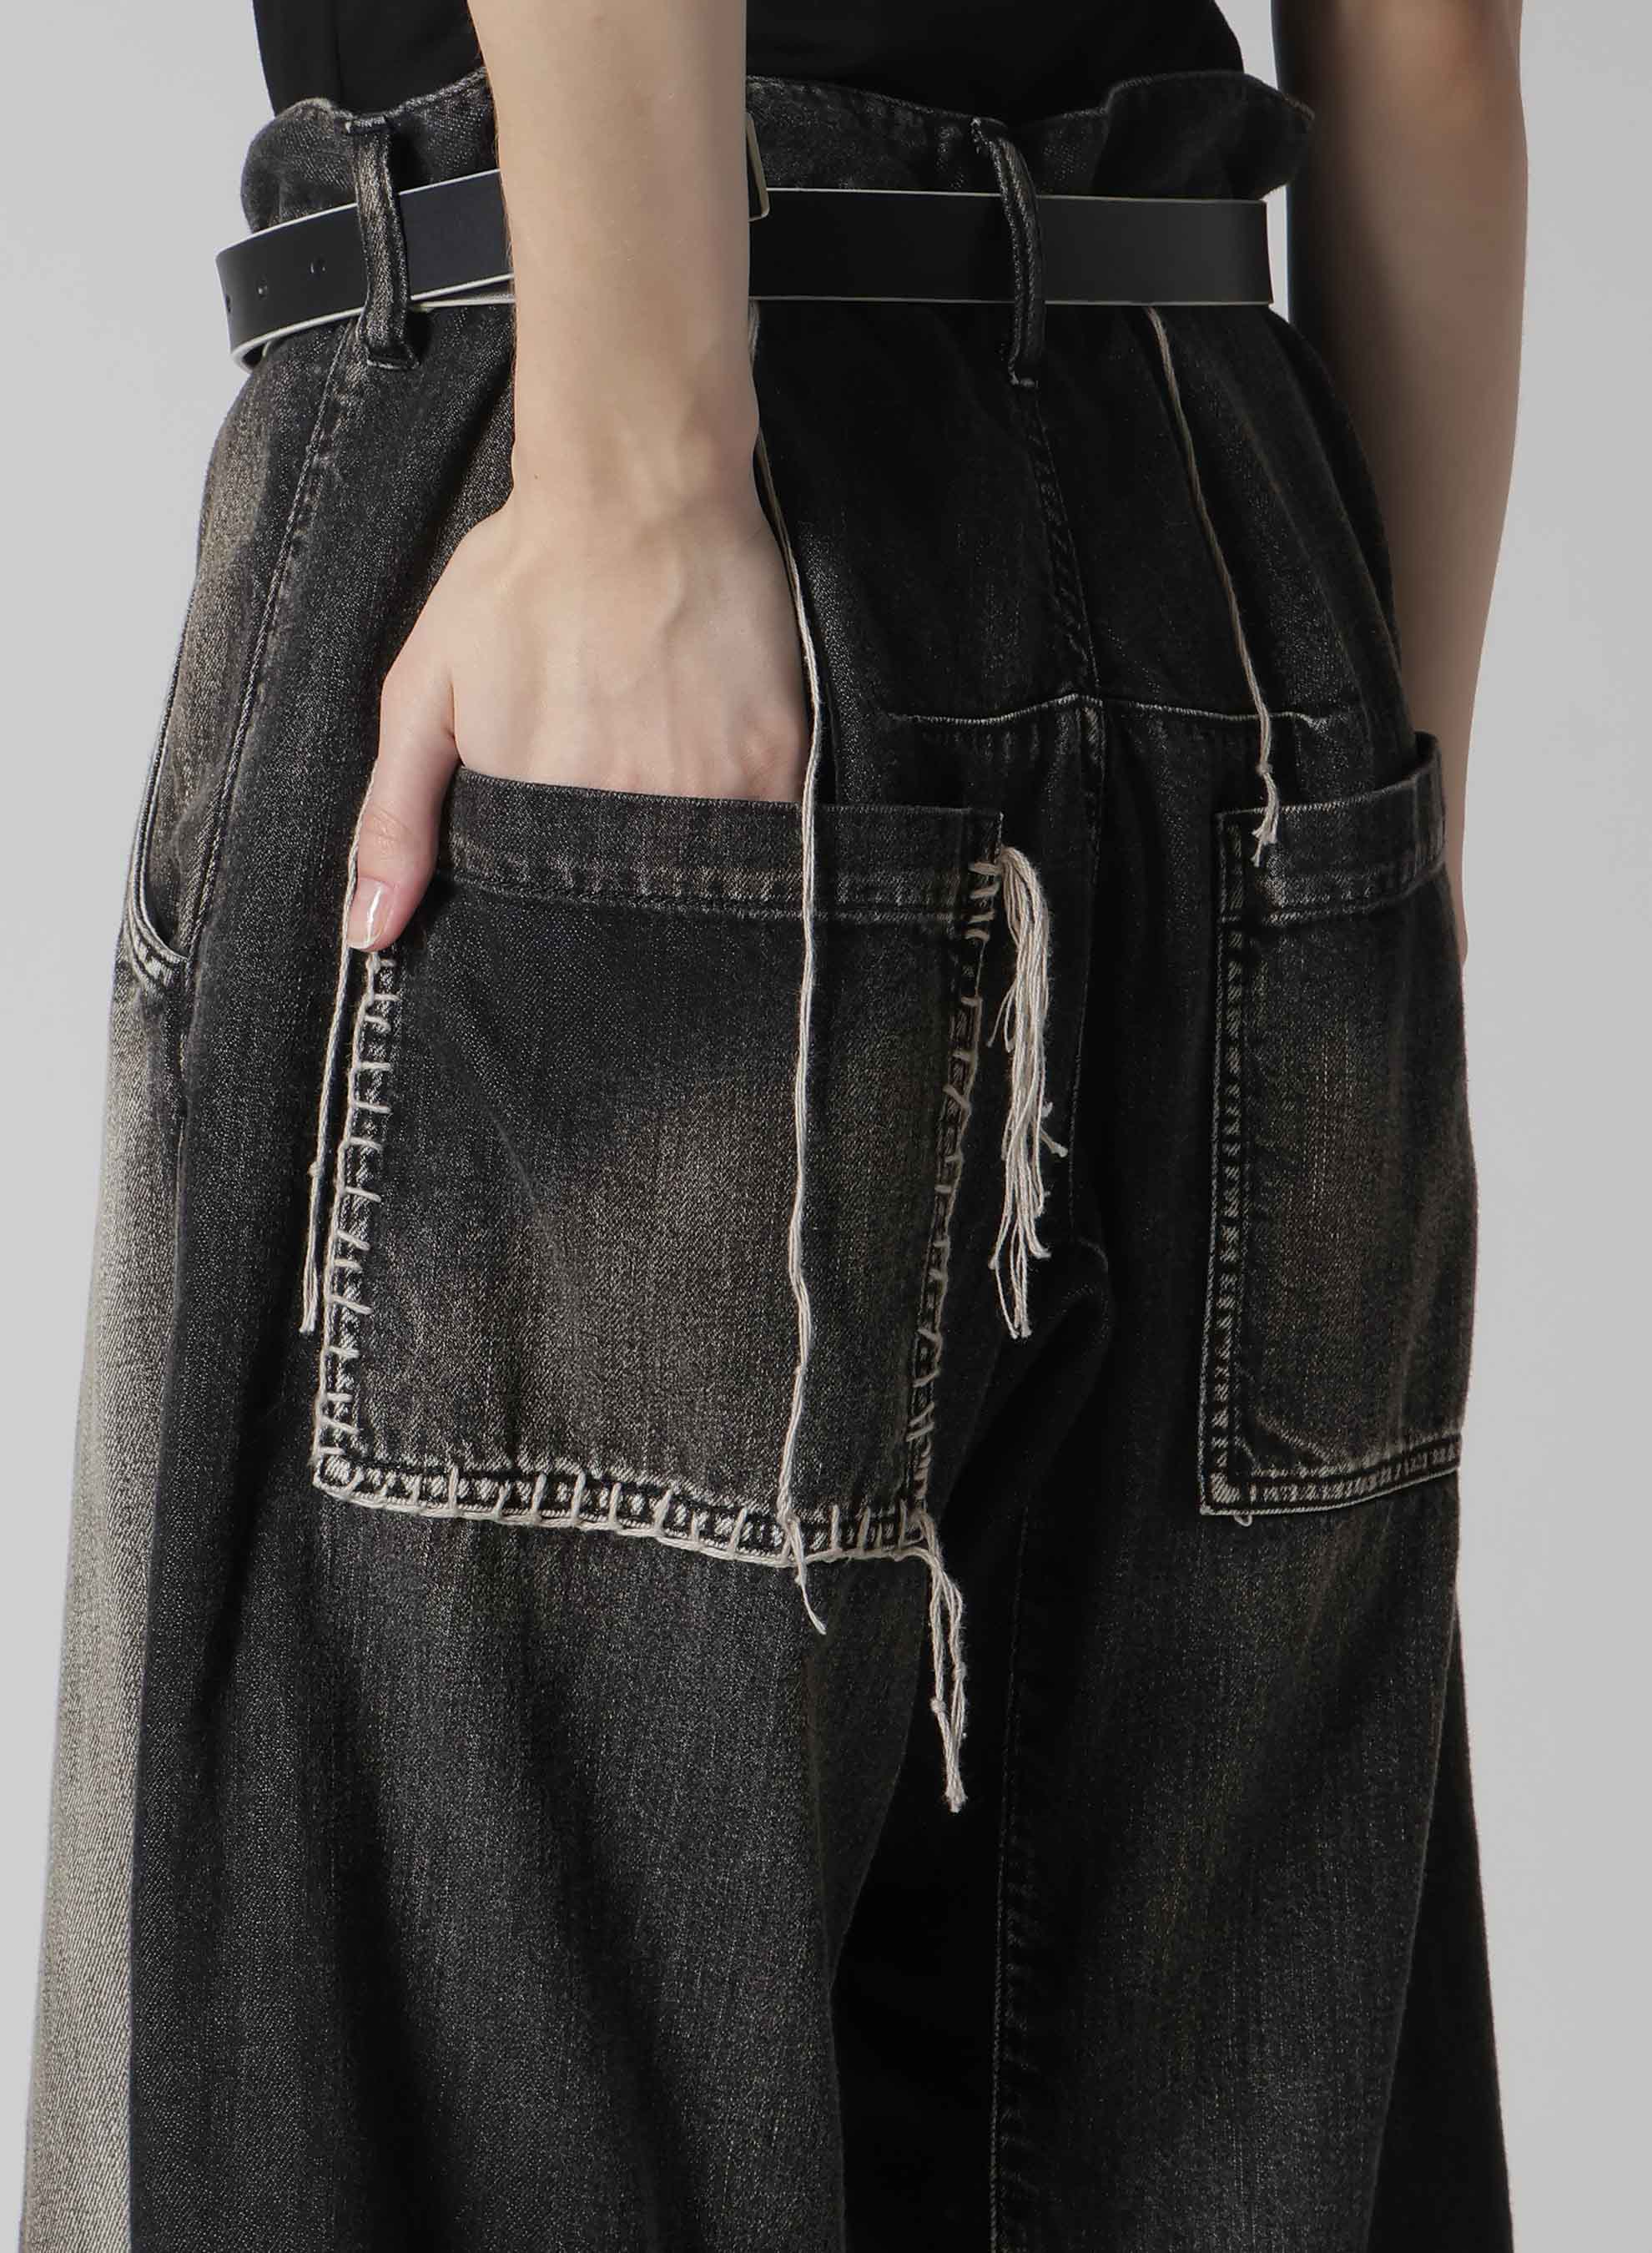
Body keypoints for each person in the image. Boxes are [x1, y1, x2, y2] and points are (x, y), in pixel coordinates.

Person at [21, 0, 1525, 2245]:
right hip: (1246, 594)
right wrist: (1386, 791)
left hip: (615, 411)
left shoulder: (632, 467)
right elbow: (1432, 42)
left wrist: (635, 465)